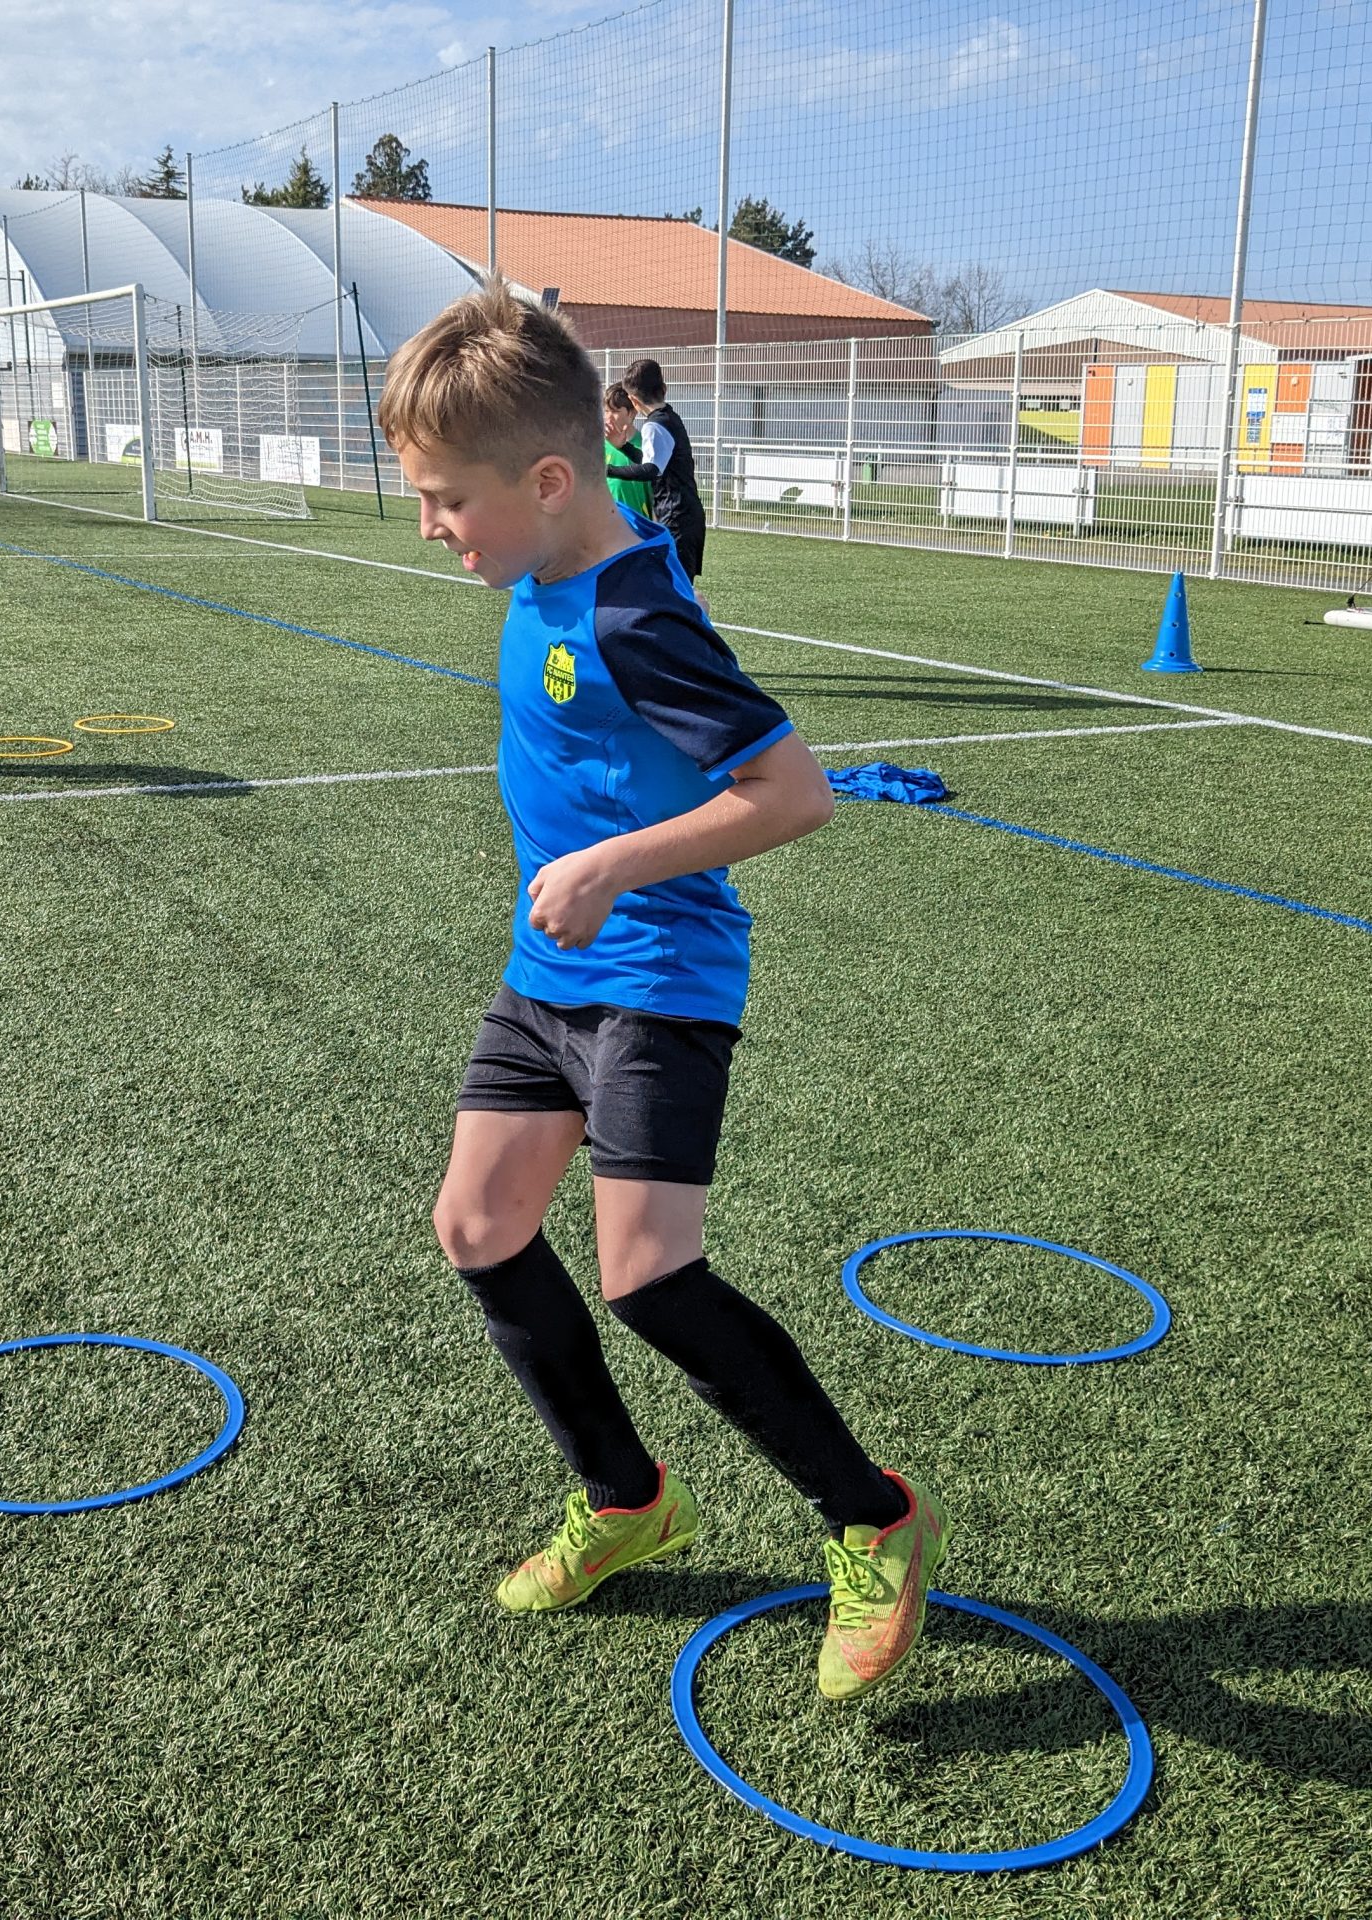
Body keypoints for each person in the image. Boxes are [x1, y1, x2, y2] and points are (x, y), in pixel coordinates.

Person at [376, 283, 949, 1703]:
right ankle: (625, 1497)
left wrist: (618, 864)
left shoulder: (635, 612)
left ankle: (871, 1518)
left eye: (448, 500)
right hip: (549, 975)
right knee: (476, 1222)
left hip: (658, 976)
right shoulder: (547, 564)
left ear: (550, 481)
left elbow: (793, 793)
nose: (432, 525)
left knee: (646, 1275)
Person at [611, 357, 707, 587]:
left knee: (676, 588)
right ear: (664, 389)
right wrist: (624, 447)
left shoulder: (654, 426)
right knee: (676, 585)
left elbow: (651, 470)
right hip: (686, 515)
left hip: (677, 517)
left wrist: (607, 470)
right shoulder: (670, 417)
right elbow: (655, 462)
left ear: (633, 401)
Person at [602, 383, 652, 519]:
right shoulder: (598, 446)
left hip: (637, 530)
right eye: (606, 411)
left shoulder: (645, 447)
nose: (608, 417)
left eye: (615, 411)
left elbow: (656, 498)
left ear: (631, 413)